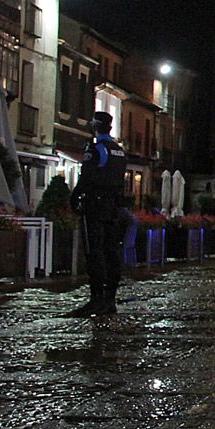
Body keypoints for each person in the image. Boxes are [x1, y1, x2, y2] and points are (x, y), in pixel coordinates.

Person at [68, 111, 127, 316]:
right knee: (111, 251)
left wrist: (74, 197)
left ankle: (97, 300)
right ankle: (110, 299)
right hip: (113, 208)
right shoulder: (118, 151)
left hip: (95, 206)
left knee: (95, 252)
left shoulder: (96, 149)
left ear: (95, 126)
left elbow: (87, 177)